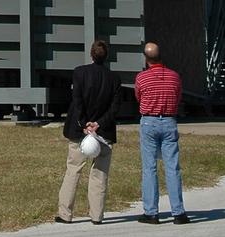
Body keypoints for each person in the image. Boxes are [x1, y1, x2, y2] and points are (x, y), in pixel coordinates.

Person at [55, 38, 122, 225]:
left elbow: (78, 101)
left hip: (79, 131)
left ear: (91, 54)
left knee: (73, 170)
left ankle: (65, 213)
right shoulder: (114, 79)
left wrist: (84, 124)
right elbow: (115, 108)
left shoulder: (79, 73)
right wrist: (98, 124)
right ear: (107, 57)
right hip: (104, 132)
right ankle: (97, 215)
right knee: (100, 174)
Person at [133, 40, 190, 224]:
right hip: (169, 121)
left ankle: (151, 212)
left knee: (149, 168)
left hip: (149, 121)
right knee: (172, 167)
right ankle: (178, 212)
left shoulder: (142, 78)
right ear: (160, 56)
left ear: (146, 58)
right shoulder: (174, 76)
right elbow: (178, 96)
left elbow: (138, 97)